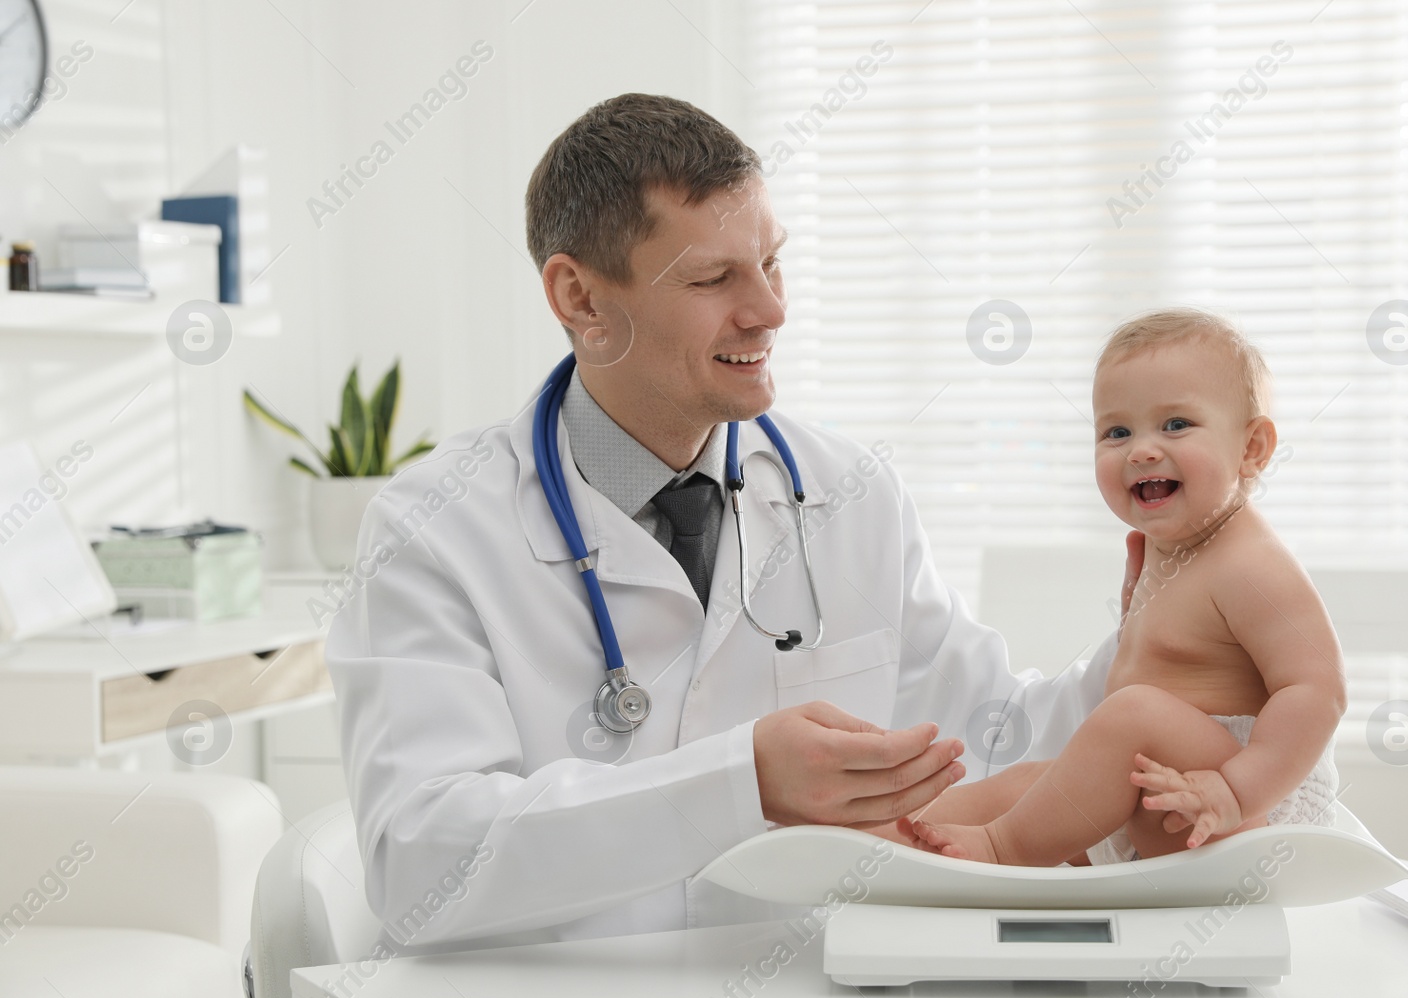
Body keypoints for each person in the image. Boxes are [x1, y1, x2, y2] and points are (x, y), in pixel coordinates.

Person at [326, 93, 1130, 949]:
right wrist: (739, 782)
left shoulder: (847, 491)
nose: (770, 311)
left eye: (772, 263)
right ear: (582, 299)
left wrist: (1166, 630)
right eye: (714, 279)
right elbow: (420, 862)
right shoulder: (433, 529)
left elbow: (996, 735)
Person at [902, 309, 1343, 866]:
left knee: (1132, 716)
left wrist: (1235, 790)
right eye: (1117, 431)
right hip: (1159, 792)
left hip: (1252, 806)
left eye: (1176, 424)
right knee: (1036, 783)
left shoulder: (1249, 563)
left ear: (1252, 448)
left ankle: (1003, 848)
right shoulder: (1167, 547)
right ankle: (892, 835)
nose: (1141, 450)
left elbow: (1317, 690)